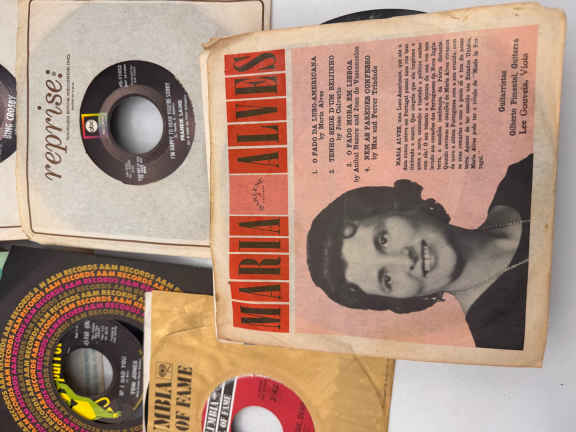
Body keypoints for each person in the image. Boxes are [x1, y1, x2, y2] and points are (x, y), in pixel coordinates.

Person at [306, 154, 533, 350]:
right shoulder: (504, 340)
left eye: (383, 240)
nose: (405, 260)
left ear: (404, 207)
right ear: (404, 300)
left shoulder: (523, 177)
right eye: (387, 279)